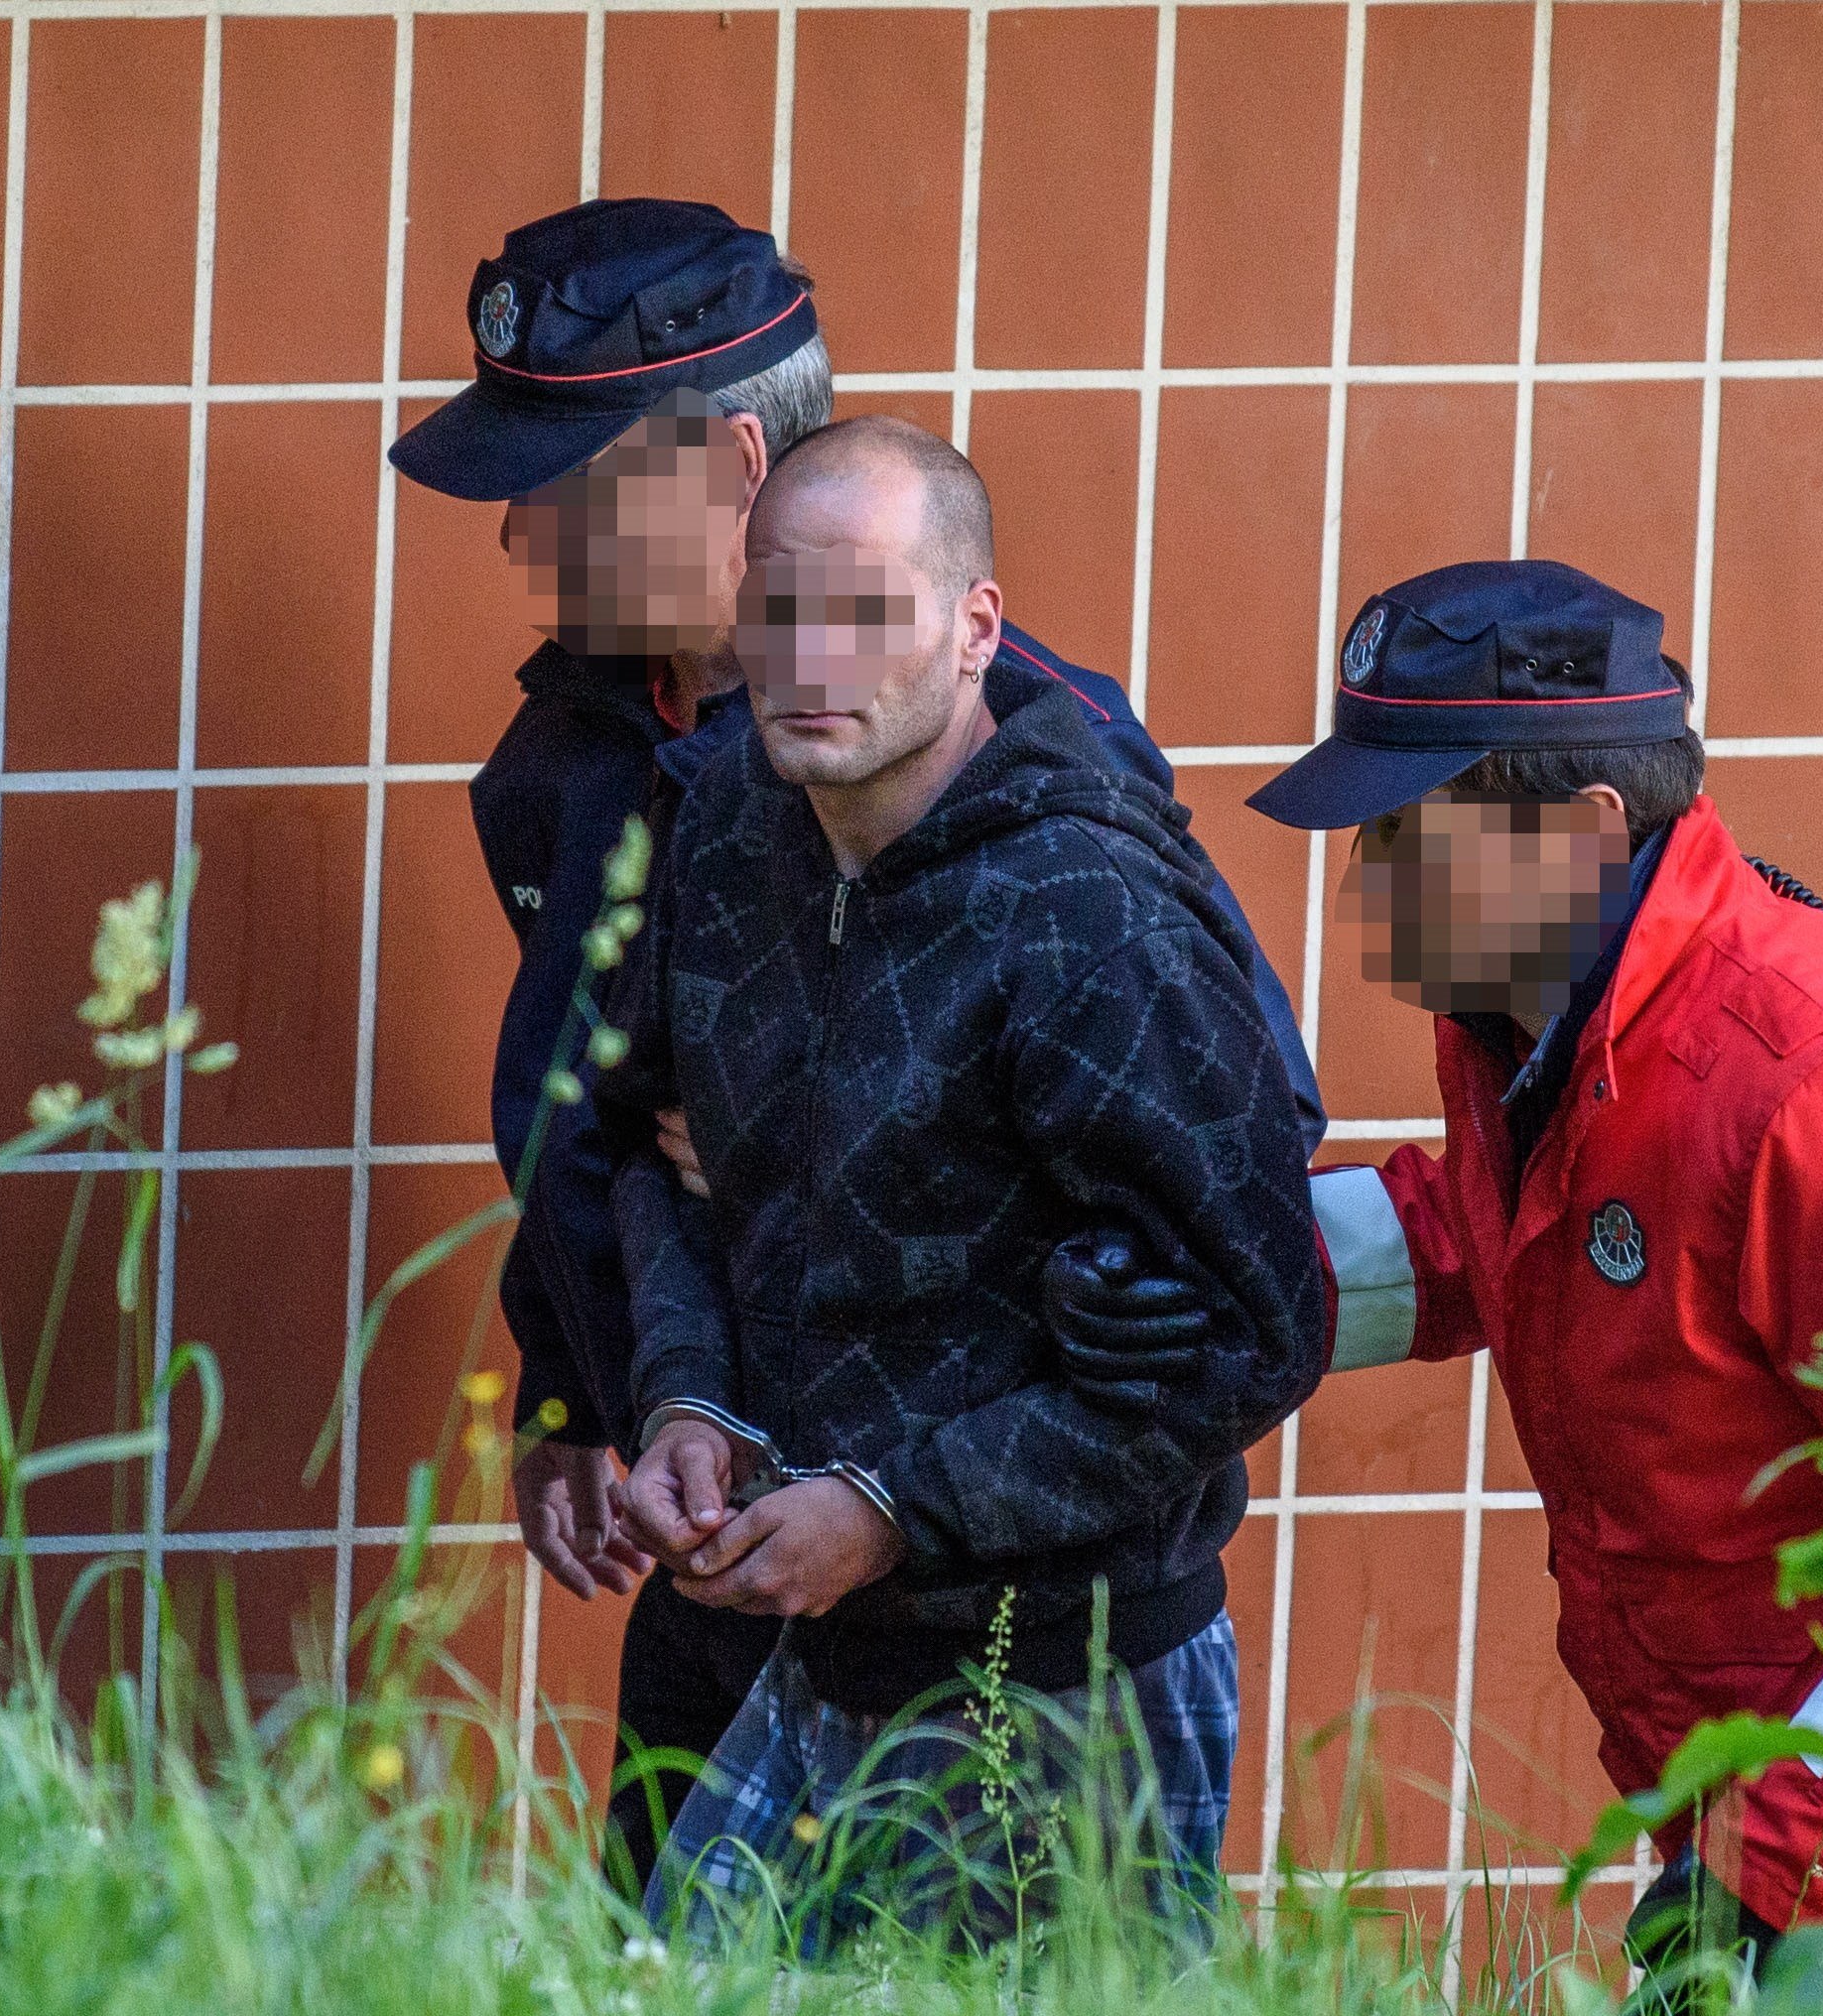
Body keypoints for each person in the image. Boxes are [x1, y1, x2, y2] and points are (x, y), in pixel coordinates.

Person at [384, 195, 1325, 1889]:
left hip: (994, 1626)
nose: (525, 531)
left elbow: (1235, 1173)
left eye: (568, 484)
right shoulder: (588, 764)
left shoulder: (1018, 766)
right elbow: (599, 1131)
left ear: (734, 469)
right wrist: (589, 1393)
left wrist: (907, 1466)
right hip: (729, 1550)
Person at [1063, 558, 1823, 1957]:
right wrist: (1230, 1271)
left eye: (1405, 835)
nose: (1368, 882)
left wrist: (1781, 1873)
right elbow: (1523, 1225)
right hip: (1809, 1800)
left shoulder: (1809, 1082)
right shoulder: (1546, 1011)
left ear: (1582, 833)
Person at [600, 416, 1328, 1942]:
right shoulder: (729, 819)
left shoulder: (1089, 914)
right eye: (779, 605)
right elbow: (660, 1158)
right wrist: (683, 1400)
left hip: (1066, 1685)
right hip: (810, 1654)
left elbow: (1257, 1332)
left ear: (976, 627)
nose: (812, 658)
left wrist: (894, 1510)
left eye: (867, 612)